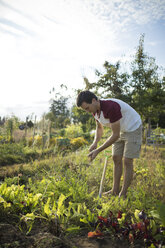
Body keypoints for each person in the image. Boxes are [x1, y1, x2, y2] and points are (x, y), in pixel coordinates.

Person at [76, 90, 142, 198]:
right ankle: (115, 190)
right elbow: (99, 127)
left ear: (93, 100)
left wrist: (98, 150)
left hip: (132, 127)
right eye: (85, 109)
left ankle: (123, 193)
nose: (87, 111)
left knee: (127, 160)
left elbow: (115, 135)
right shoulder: (95, 111)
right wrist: (95, 143)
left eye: (87, 108)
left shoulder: (111, 107)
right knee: (116, 158)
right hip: (120, 129)